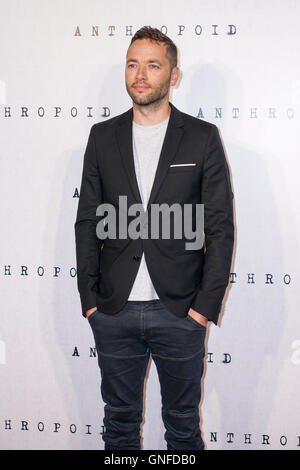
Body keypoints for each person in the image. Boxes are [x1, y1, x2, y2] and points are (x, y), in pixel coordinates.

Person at [74, 25, 234, 450]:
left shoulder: (202, 138)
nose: (139, 74)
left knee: (182, 427)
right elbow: (87, 220)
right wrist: (90, 299)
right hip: (113, 310)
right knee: (119, 426)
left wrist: (204, 307)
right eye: (132, 63)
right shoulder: (101, 137)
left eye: (152, 64)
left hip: (180, 311)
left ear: (173, 75)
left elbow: (219, 227)